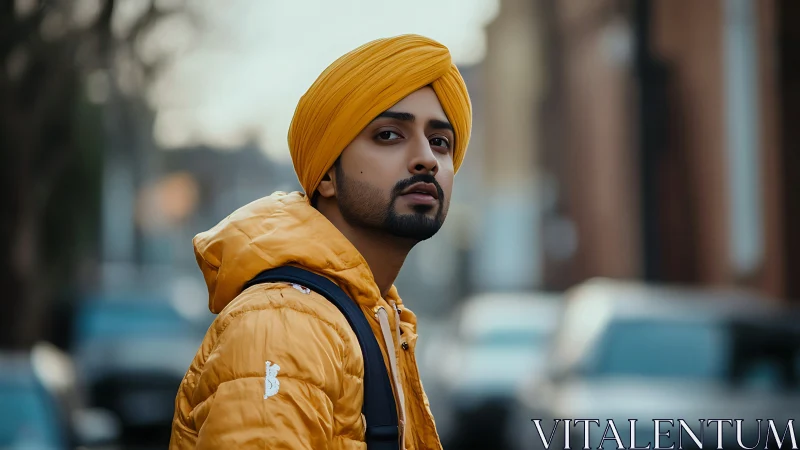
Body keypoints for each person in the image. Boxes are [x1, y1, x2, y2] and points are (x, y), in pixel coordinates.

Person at [169, 33, 472, 449]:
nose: (426, 158)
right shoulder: (284, 326)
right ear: (327, 176)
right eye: (388, 135)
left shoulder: (368, 316)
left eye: (440, 142)